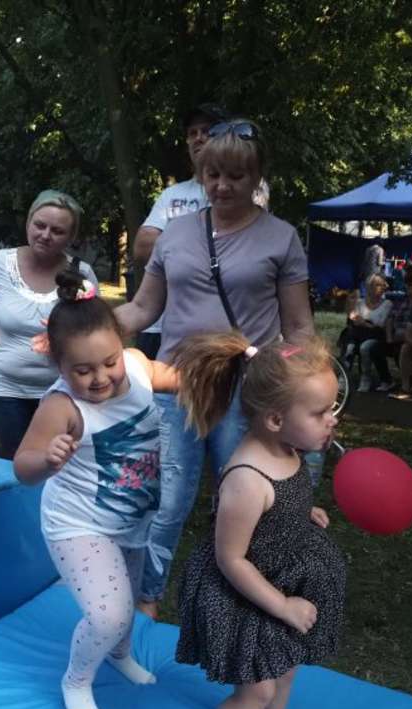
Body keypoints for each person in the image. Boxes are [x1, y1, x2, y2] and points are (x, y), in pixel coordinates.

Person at [114, 117, 314, 618]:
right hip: (175, 386)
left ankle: (243, 602)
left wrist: (309, 389)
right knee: (166, 501)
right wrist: (79, 331)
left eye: (236, 176)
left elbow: (299, 327)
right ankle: (145, 600)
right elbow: (141, 310)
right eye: (213, 175)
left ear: (256, 177)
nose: (223, 186)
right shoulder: (175, 235)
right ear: (201, 175)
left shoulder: (281, 238)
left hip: (245, 391)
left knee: (242, 500)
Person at [170, 333, 344, 709]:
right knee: (257, 686)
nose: (332, 419)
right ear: (274, 419)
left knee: (287, 663)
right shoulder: (247, 477)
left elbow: (282, 501)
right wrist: (283, 605)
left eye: (331, 407)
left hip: (278, 571)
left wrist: (303, 513)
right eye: (320, 412)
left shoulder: (288, 450)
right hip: (243, 589)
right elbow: (232, 560)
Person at [13, 267, 177, 709]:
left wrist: (220, 371)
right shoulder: (62, 406)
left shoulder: (139, 369)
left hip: (130, 520)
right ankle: (77, 679)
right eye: (82, 370)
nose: (101, 377)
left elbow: (175, 377)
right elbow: (22, 468)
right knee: (109, 612)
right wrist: (45, 459)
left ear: (122, 347)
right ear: (60, 369)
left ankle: (120, 656)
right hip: (77, 525)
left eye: (109, 362)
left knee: (125, 604)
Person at [0, 190, 98, 456]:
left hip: (61, 389)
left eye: (58, 230)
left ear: (71, 237)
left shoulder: (81, 274)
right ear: (28, 223)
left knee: (58, 463)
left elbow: (95, 329)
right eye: (39, 225)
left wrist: (64, 339)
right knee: (19, 461)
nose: (45, 235)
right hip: (5, 388)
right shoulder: (0, 263)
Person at [132, 103, 229, 360]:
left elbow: (236, 248)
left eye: (207, 130)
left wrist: (171, 238)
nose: (198, 137)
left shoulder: (247, 190)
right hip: (158, 325)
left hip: (219, 333)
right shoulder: (172, 194)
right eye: (192, 132)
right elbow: (142, 248)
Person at [342, 274, 393, 391]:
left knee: (365, 347)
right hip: (359, 334)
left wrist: (363, 322)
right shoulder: (359, 302)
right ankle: (343, 378)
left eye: (383, 285)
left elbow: (380, 324)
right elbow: (353, 320)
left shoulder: (387, 304)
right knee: (350, 347)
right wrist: (360, 320)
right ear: (369, 287)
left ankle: (366, 378)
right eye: (378, 285)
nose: (382, 288)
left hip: (377, 336)